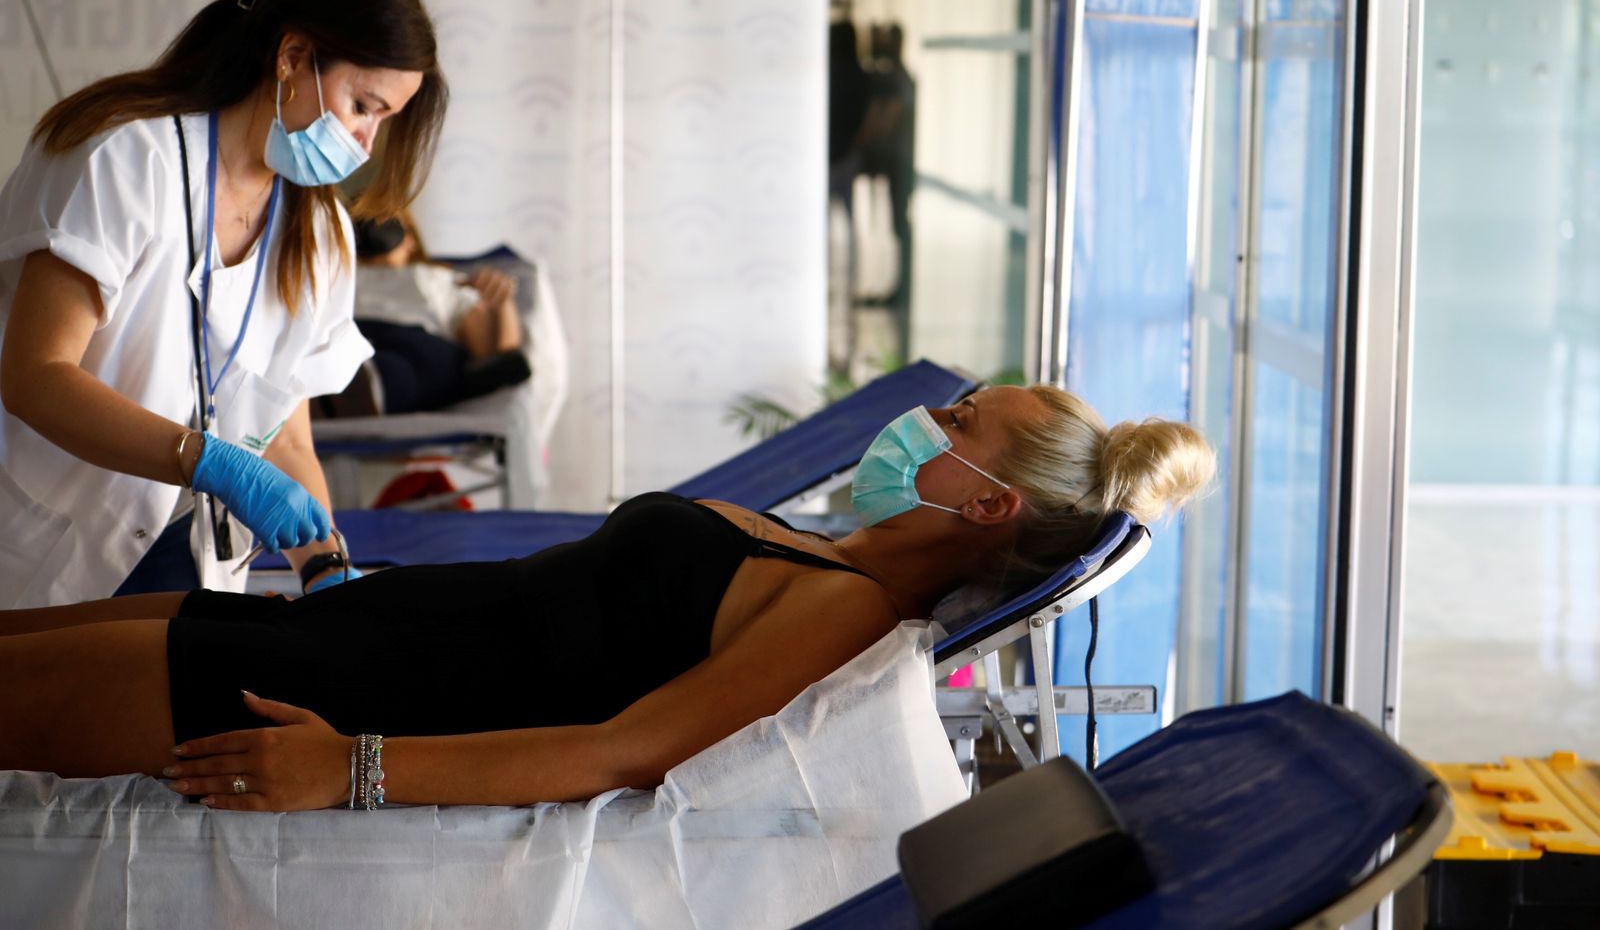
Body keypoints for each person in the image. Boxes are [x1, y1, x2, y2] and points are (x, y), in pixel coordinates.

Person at [0, 385, 1213, 810]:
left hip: (324, 696)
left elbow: (622, 751)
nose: (924, 423)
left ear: (991, 505)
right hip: (331, 625)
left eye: (957, 424)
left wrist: (350, 767)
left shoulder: (844, 621)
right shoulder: (825, 552)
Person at [0, 0, 447, 605]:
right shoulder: (125, 159)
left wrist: (325, 569)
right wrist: (205, 459)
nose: (365, 144)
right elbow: (35, 376)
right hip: (41, 545)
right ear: (293, 57)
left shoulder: (317, 232)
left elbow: (287, 433)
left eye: (385, 120)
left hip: (185, 552)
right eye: (362, 106)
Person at [313, 211, 532, 418]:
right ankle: (338, 386)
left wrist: (503, 302)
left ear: (410, 241)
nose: (374, 232)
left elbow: (498, 358)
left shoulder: (441, 281)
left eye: (388, 226)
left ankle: (356, 387)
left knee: (406, 369)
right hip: (349, 331)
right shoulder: (329, 276)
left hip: (413, 343)